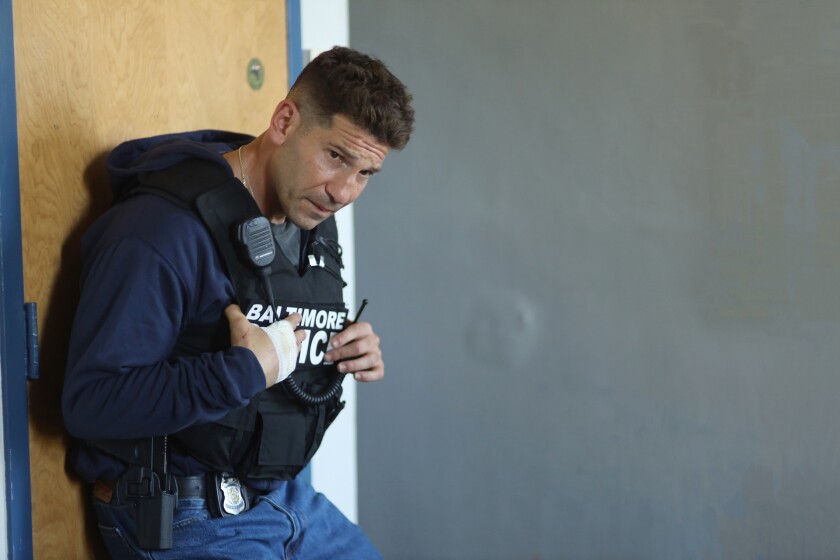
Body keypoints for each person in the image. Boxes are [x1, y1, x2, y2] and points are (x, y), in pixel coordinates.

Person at [61, 46, 414, 559]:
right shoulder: (161, 230)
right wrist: (241, 371)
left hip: (284, 499)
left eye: (365, 174)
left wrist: (335, 350)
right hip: (181, 513)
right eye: (336, 156)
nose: (343, 191)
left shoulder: (308, 213)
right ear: (285, 120)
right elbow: (90, 402)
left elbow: (272, 350)